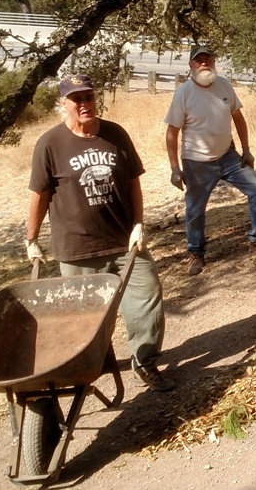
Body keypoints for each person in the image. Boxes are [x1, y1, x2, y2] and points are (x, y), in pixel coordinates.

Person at [26, 74, 173, 391]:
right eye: (76, 99)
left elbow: (133, 180)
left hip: (124, 242)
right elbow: (39, 194)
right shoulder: (50, 144)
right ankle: (86, 370)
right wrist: (31, 239)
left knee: (146, 298)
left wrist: (138, 224)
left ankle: (144, 364)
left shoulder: (115, 134)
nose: (84, 104)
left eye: (88, 97)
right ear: (63, 104)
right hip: (78, 249)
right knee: (87, 321)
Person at [165, 44, 256, 276]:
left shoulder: (224, 85)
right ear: (191, 65)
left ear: (214, 62)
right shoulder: (183, 93)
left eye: (208, 59)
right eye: (199, 60)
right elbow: (171, 133)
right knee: (195, 209)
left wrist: (246, 150)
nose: (204, 63)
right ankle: (196, 253)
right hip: (196, 162)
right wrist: (175, 169)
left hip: (228, 156)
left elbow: (238, 118)